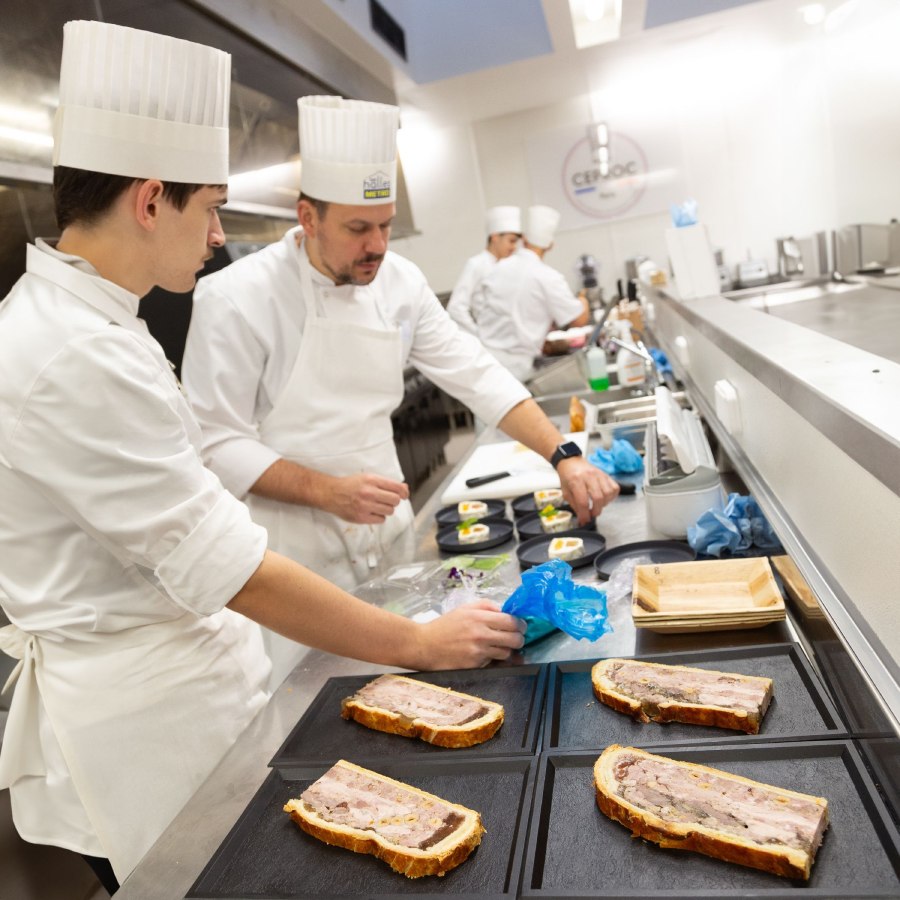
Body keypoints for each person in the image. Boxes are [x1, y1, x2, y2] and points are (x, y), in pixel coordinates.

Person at [0, 24, 526, 891]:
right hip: (154, 719)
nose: (215, 235)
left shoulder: (94, 324)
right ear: (149, 200)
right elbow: (232, 565)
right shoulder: (70, 353)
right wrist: (419, 645)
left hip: (194, 675)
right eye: (209, 207)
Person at [183, 97, 620, 689]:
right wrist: (326, 490)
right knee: (322, 702)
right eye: (358, 228)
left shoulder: (399, 282)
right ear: (307, 218)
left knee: (412, 690)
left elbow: (476, 373)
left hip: (387, 532)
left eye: (385, 225)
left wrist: (563, 455)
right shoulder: (235, 298)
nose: (378, 245)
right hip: (294, 558)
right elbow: (215, 443)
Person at [475, 205, 591, 382]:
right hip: (514, 368)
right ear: (550, 245)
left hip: (483, 362)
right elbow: (579, 319)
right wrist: (583, 299)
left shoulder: (498, 268)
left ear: (525, 240)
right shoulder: (546, 276)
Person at [446, 205, 521, 334]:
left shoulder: (511, 265)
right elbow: (456, 307)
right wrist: (478, 334)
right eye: (511, 241)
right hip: (491, 339)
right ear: (495, 237)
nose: (514, 247)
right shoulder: (476, 264)